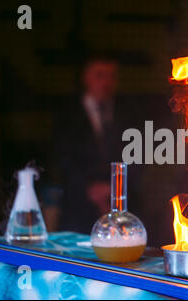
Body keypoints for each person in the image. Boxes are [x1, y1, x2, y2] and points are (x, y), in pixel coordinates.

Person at [53, 55, 135, 234]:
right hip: (77, 209)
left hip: (120, 209)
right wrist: (89, 188)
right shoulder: (67, 115)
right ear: (85, 77)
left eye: (112, 76)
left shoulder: (128, 113)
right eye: (99, 75)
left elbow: (137, 156)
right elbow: (61, 158)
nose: (106, 82)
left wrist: (114, 189)